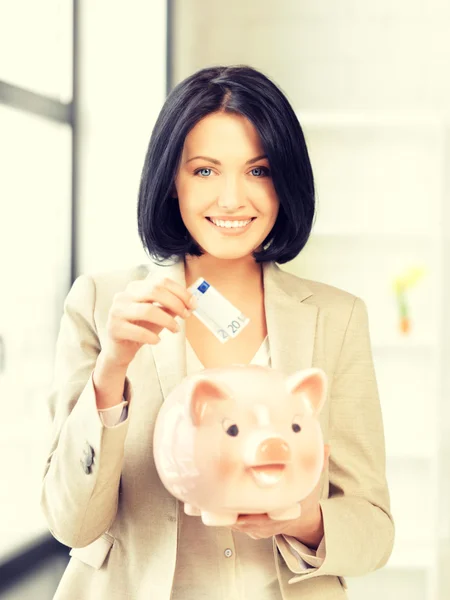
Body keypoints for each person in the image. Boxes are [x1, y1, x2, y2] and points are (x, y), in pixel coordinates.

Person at [41, 65, 394, 600]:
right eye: (205, 171)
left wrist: (299, 519)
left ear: (285, 182)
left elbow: (374, 529)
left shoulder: (336, 317)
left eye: (258, 171)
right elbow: (71, 522)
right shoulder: (101, 304)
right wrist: (110, 371)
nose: (232, 199)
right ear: (171, 181)